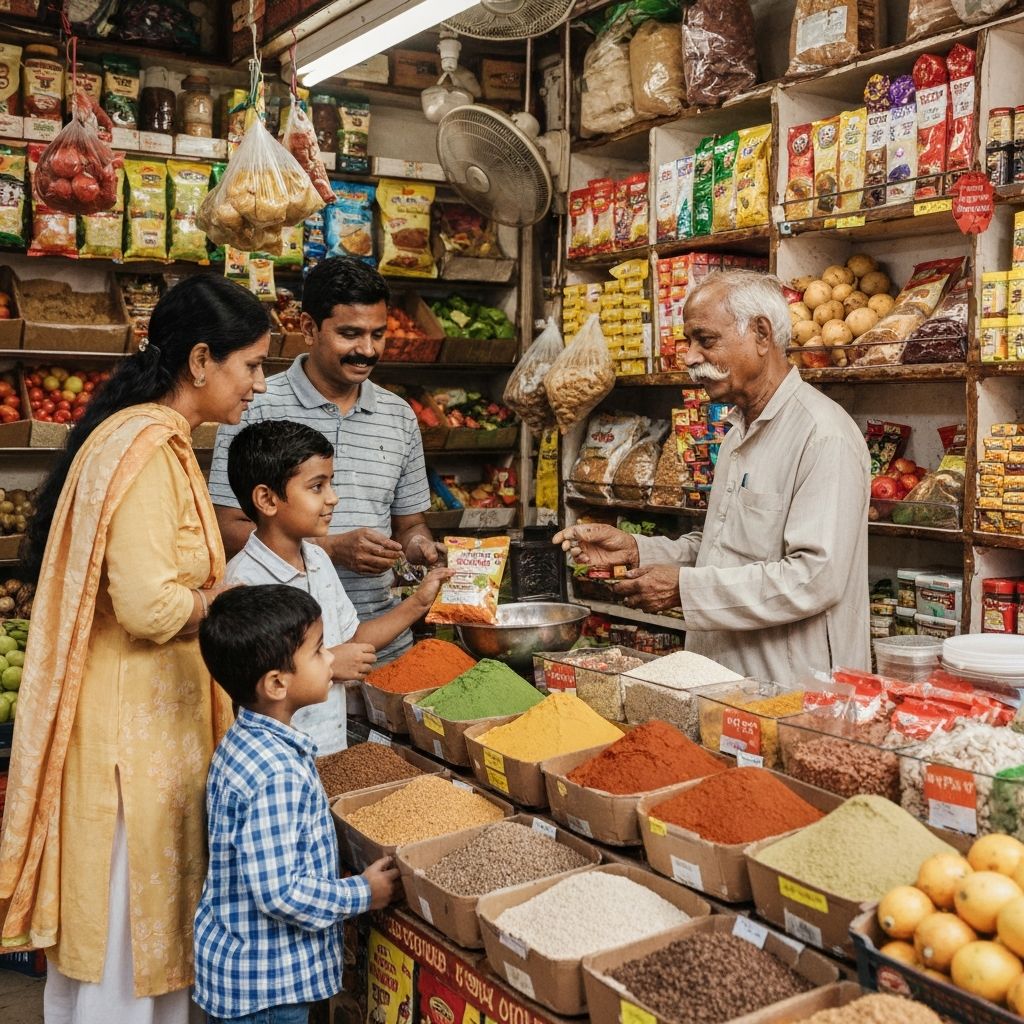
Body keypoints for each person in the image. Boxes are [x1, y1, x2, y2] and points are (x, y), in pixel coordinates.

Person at [0, 276, 273, 1024]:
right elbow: (151, 606)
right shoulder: (147, 450)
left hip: (143, 727)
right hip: (131, 739)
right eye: (249, 364)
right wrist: (229, 603)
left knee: (122, 948)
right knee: (124, 947)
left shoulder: (146, 436)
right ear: (198, 361)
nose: (258, 383)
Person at [555, 270, 870, 682]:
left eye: (705, 340)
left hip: (794, 691)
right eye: (689, 342)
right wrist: (637, 550)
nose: (689, 357)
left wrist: (684, 589)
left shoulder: (822, 435)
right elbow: (723, 546)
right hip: (723, 679)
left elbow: (813, 578)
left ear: (760, 334)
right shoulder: (740, 428)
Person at [209, 257, 439, 666]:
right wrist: (330, 549)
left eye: (378, 335)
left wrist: (419, 547)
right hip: (287, 656)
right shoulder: (255, 404)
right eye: (350, 334)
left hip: (383, 642)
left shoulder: (399, 415)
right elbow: (227, 528)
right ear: (309, 328)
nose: (367, 350)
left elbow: (410, 523)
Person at [194, 585, 400, 1024]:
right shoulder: (276, 773)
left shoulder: (244, 742)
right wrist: (363, 892)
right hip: (267, 994)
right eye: (319, 650)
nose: (330, 659)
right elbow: (281, 893)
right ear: (275, 683)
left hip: (249, 976)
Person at [223, 419, 450, 753]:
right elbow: (257, 684)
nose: (333, 498)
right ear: (267, 500)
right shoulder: (244, 582)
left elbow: (353, 640)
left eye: (331, 483)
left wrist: (419, 602)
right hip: (277, 759)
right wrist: (330, 665)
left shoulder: (316, 559)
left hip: (331, 750)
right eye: (317, 487)